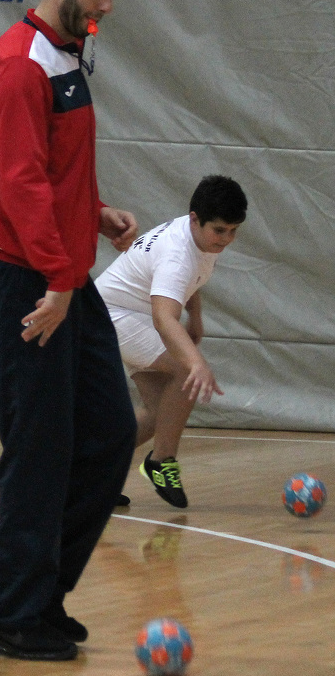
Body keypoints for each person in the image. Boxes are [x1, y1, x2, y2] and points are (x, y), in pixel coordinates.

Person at [0, 0, 139, 661]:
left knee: (108, 434)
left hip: (64, 272)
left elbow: (53, 166)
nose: (105, 8)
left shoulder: (67, 52)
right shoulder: (19, 64)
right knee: (38, 450)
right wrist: (60, 278)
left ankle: (40, 597)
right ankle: (7, 615)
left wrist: (93, 212)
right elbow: (20, 184)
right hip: (29, 280)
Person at [96, 175, 247, 508]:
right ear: (195, 219)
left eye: (234, 230)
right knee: (185, 372)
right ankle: (161, 462)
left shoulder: (199, 238)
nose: (226, 239)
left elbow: (188, 282)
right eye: (220, 230)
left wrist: (196, 316)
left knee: (160, 410)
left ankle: (91, 478)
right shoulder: (177, 254)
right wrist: (195, 362)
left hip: (124, 314)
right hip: (115, 316)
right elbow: (163, 319)